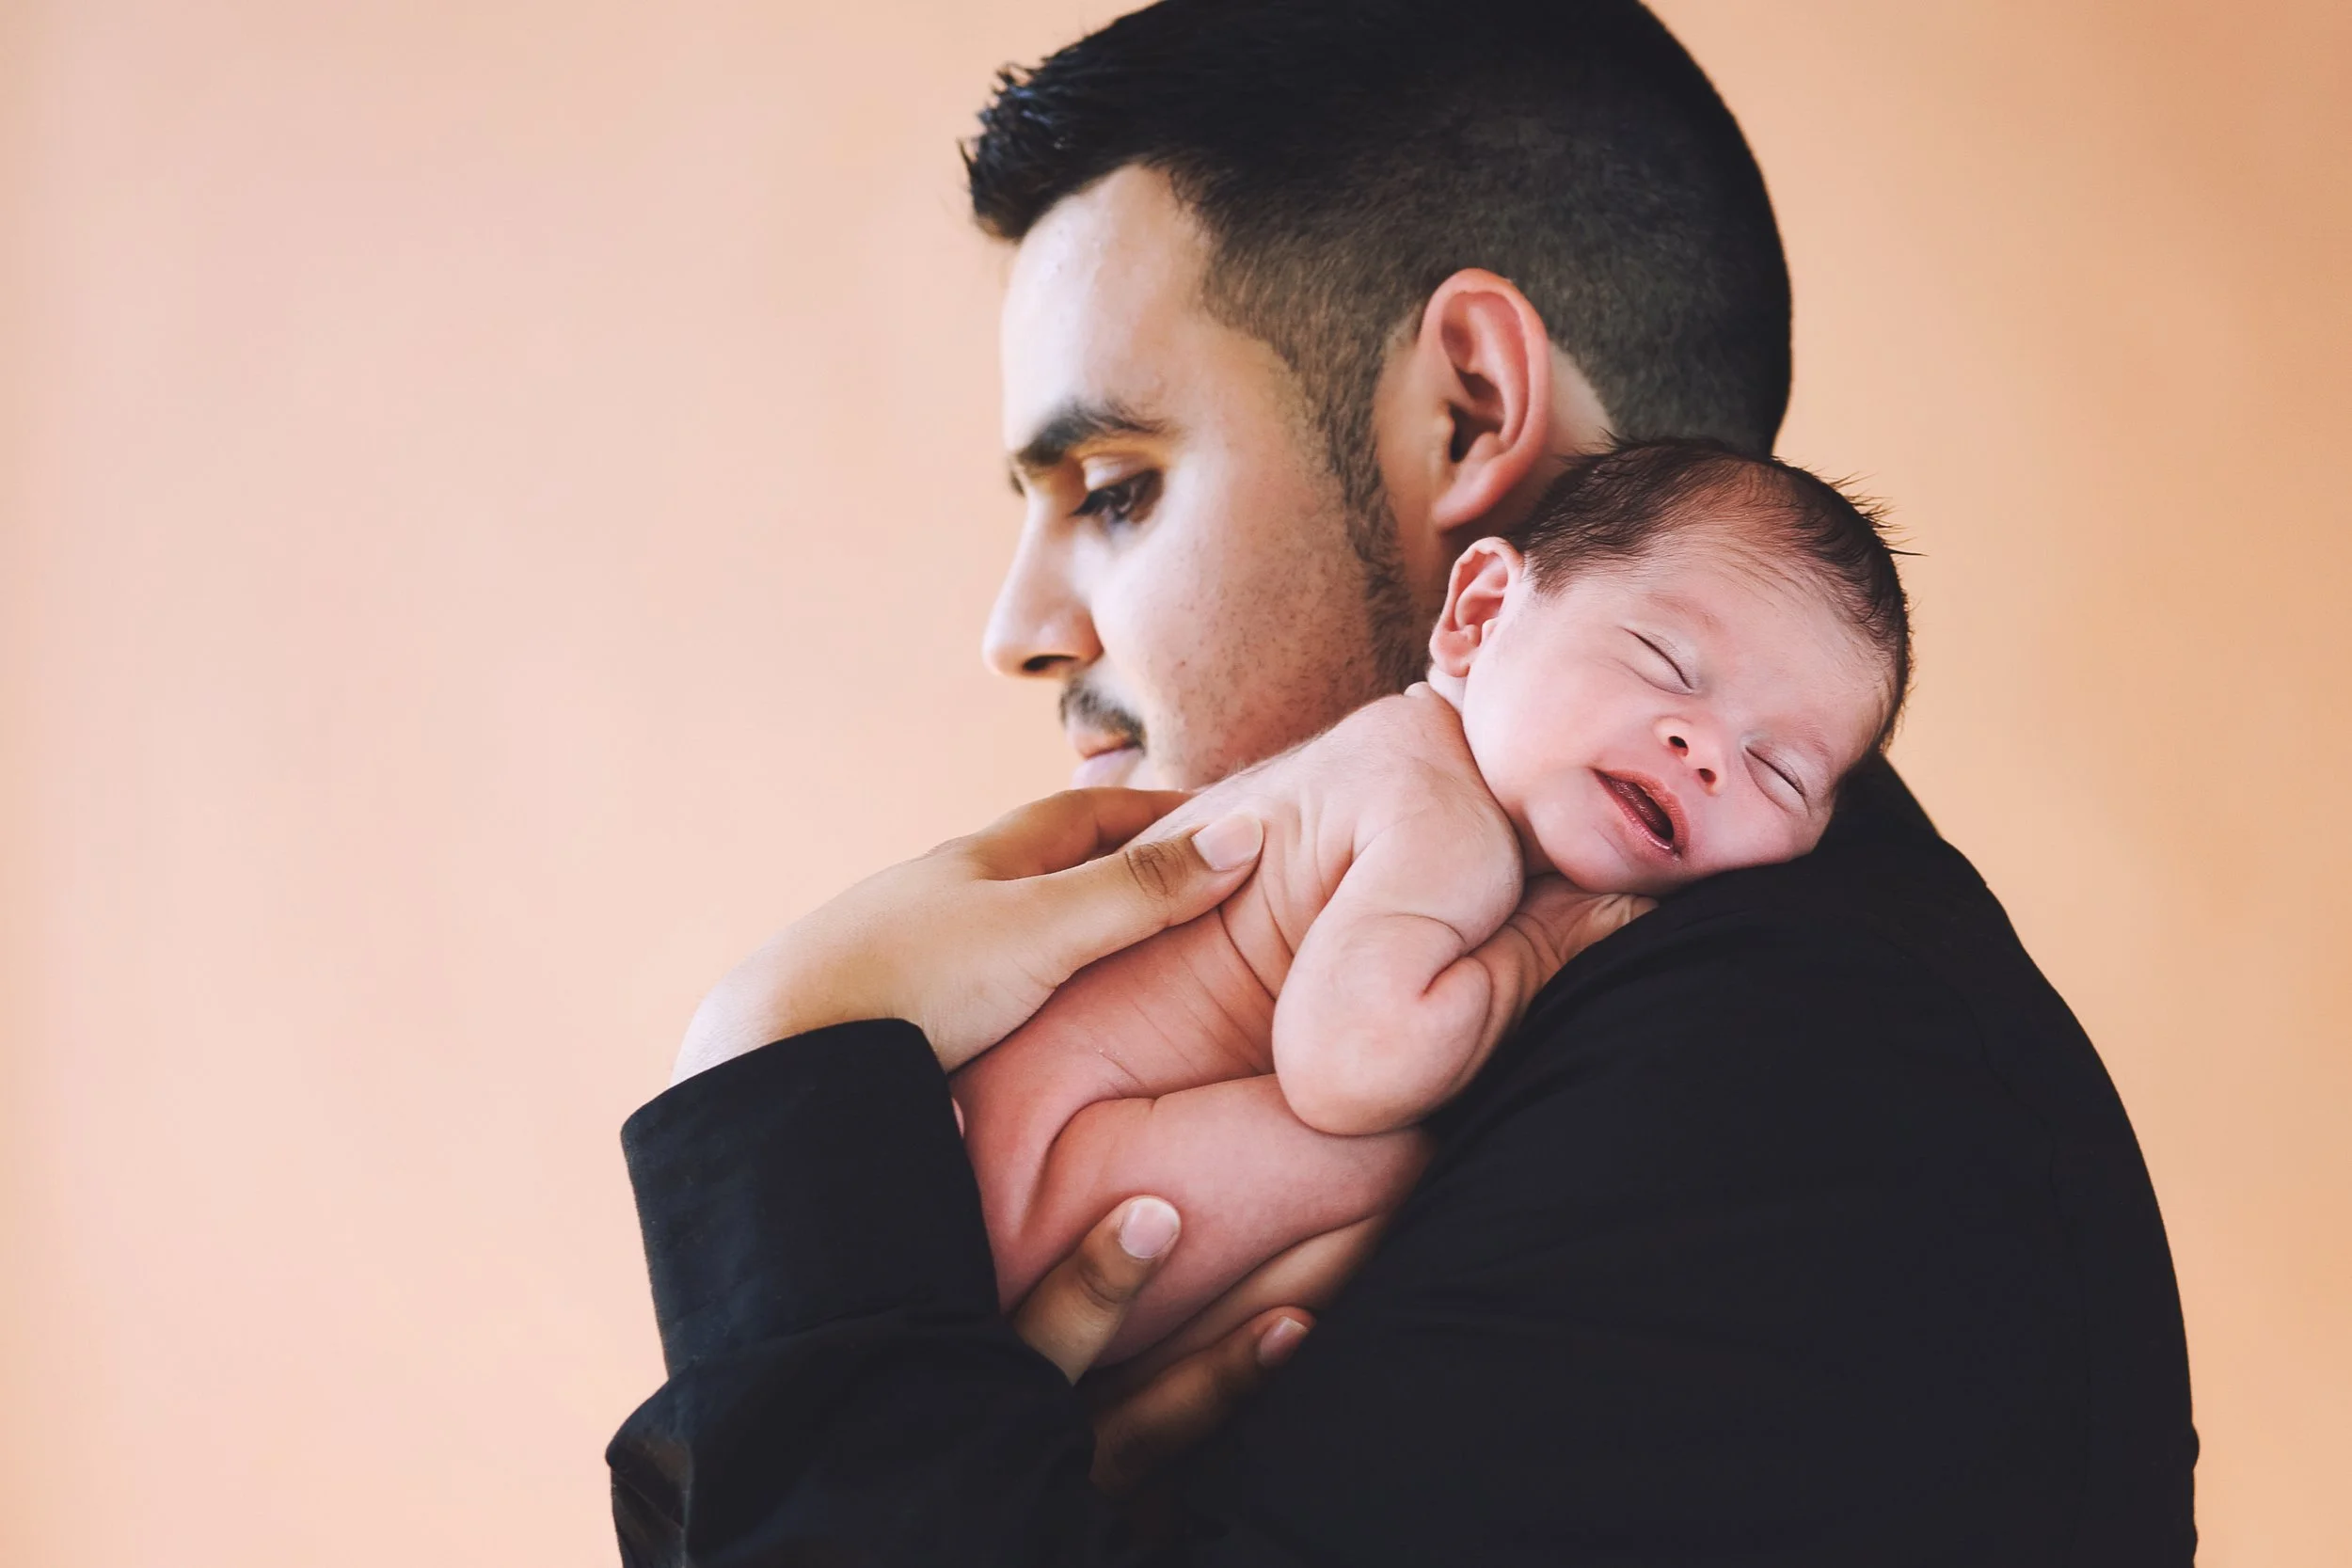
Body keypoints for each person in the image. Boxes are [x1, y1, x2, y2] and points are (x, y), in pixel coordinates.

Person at [611, 2, 2199, 1562]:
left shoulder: (1813, 1111)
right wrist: (959, 1465)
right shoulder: (1614, 1034)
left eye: (1115, 491)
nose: (1019, 633)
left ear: (1469, 412)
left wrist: (782, 1082)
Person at [957, 442, 1912, 1372]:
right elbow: (1351, 1067)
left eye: (1776, 769)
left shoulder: (1387, 752)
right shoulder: (1441, 820)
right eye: (1663, 662)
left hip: (1002, 1161)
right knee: (1398, 1163)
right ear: (1482, 612)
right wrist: (1536, 952)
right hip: (1041, 1185)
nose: (1701, 748)